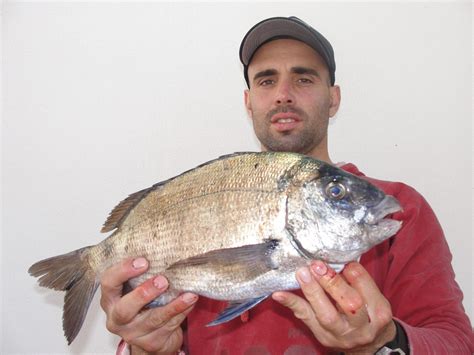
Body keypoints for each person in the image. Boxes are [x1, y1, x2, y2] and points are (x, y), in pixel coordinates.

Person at [99, 16, 473, 354]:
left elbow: (456, 342)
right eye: (266, 80)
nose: (283, 93)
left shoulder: (403, 208)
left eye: (304, 77)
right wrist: (146, 350)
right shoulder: (196, 200)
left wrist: (384, 343)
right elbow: (152, 335)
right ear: (249, 102)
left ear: (334, 98)